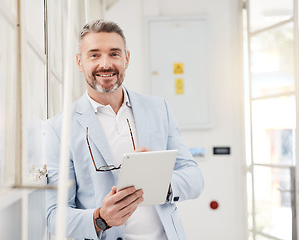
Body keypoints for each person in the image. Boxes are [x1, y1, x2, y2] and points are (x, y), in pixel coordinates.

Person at [45, 19, 204, 240]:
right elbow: (55, 217)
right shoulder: (58, 129)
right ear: (79, 62)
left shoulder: (158, 109)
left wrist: (161, 183)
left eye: (114, 53)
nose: (105, 64)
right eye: (94, 55)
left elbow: (195, 178)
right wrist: (101, 219)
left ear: (126, 59)